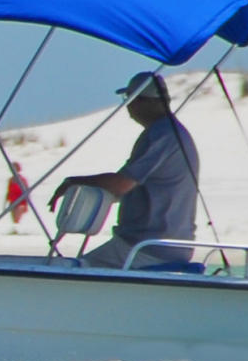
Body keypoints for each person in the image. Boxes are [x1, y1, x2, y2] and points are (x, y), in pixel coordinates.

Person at [56, 72, 200, 268]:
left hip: (147, 247)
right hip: (166, 245)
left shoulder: (161, 134)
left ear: (144, 101)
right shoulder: (169, 131)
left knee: (73, 270)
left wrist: (73, 182)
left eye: (129, 98)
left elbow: (122, 184)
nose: (128, 106)